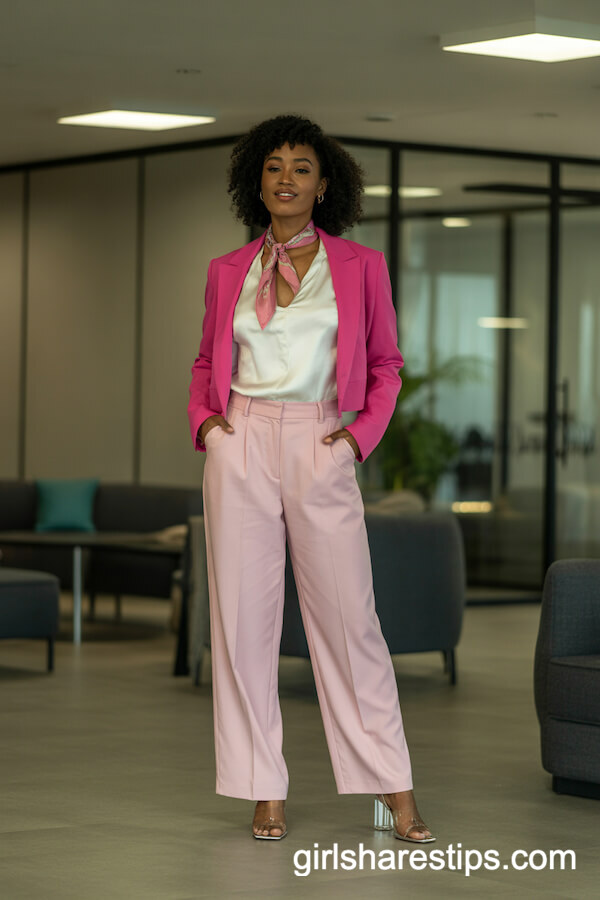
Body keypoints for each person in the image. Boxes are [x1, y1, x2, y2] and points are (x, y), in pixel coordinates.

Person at [187, 114, 435, 843]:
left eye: (301, 167)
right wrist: (207, 424)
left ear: (324, 185)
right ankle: (263, 788)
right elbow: (206, 361)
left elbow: (387, 365)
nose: (286, 178)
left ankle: (393, 785)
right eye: (273, 167)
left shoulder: (360, 267)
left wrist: (356, 440)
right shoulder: (227, 271)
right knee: (242, 624)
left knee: (350, 619)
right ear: (255, 182)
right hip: (241, 440)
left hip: (322, 438)